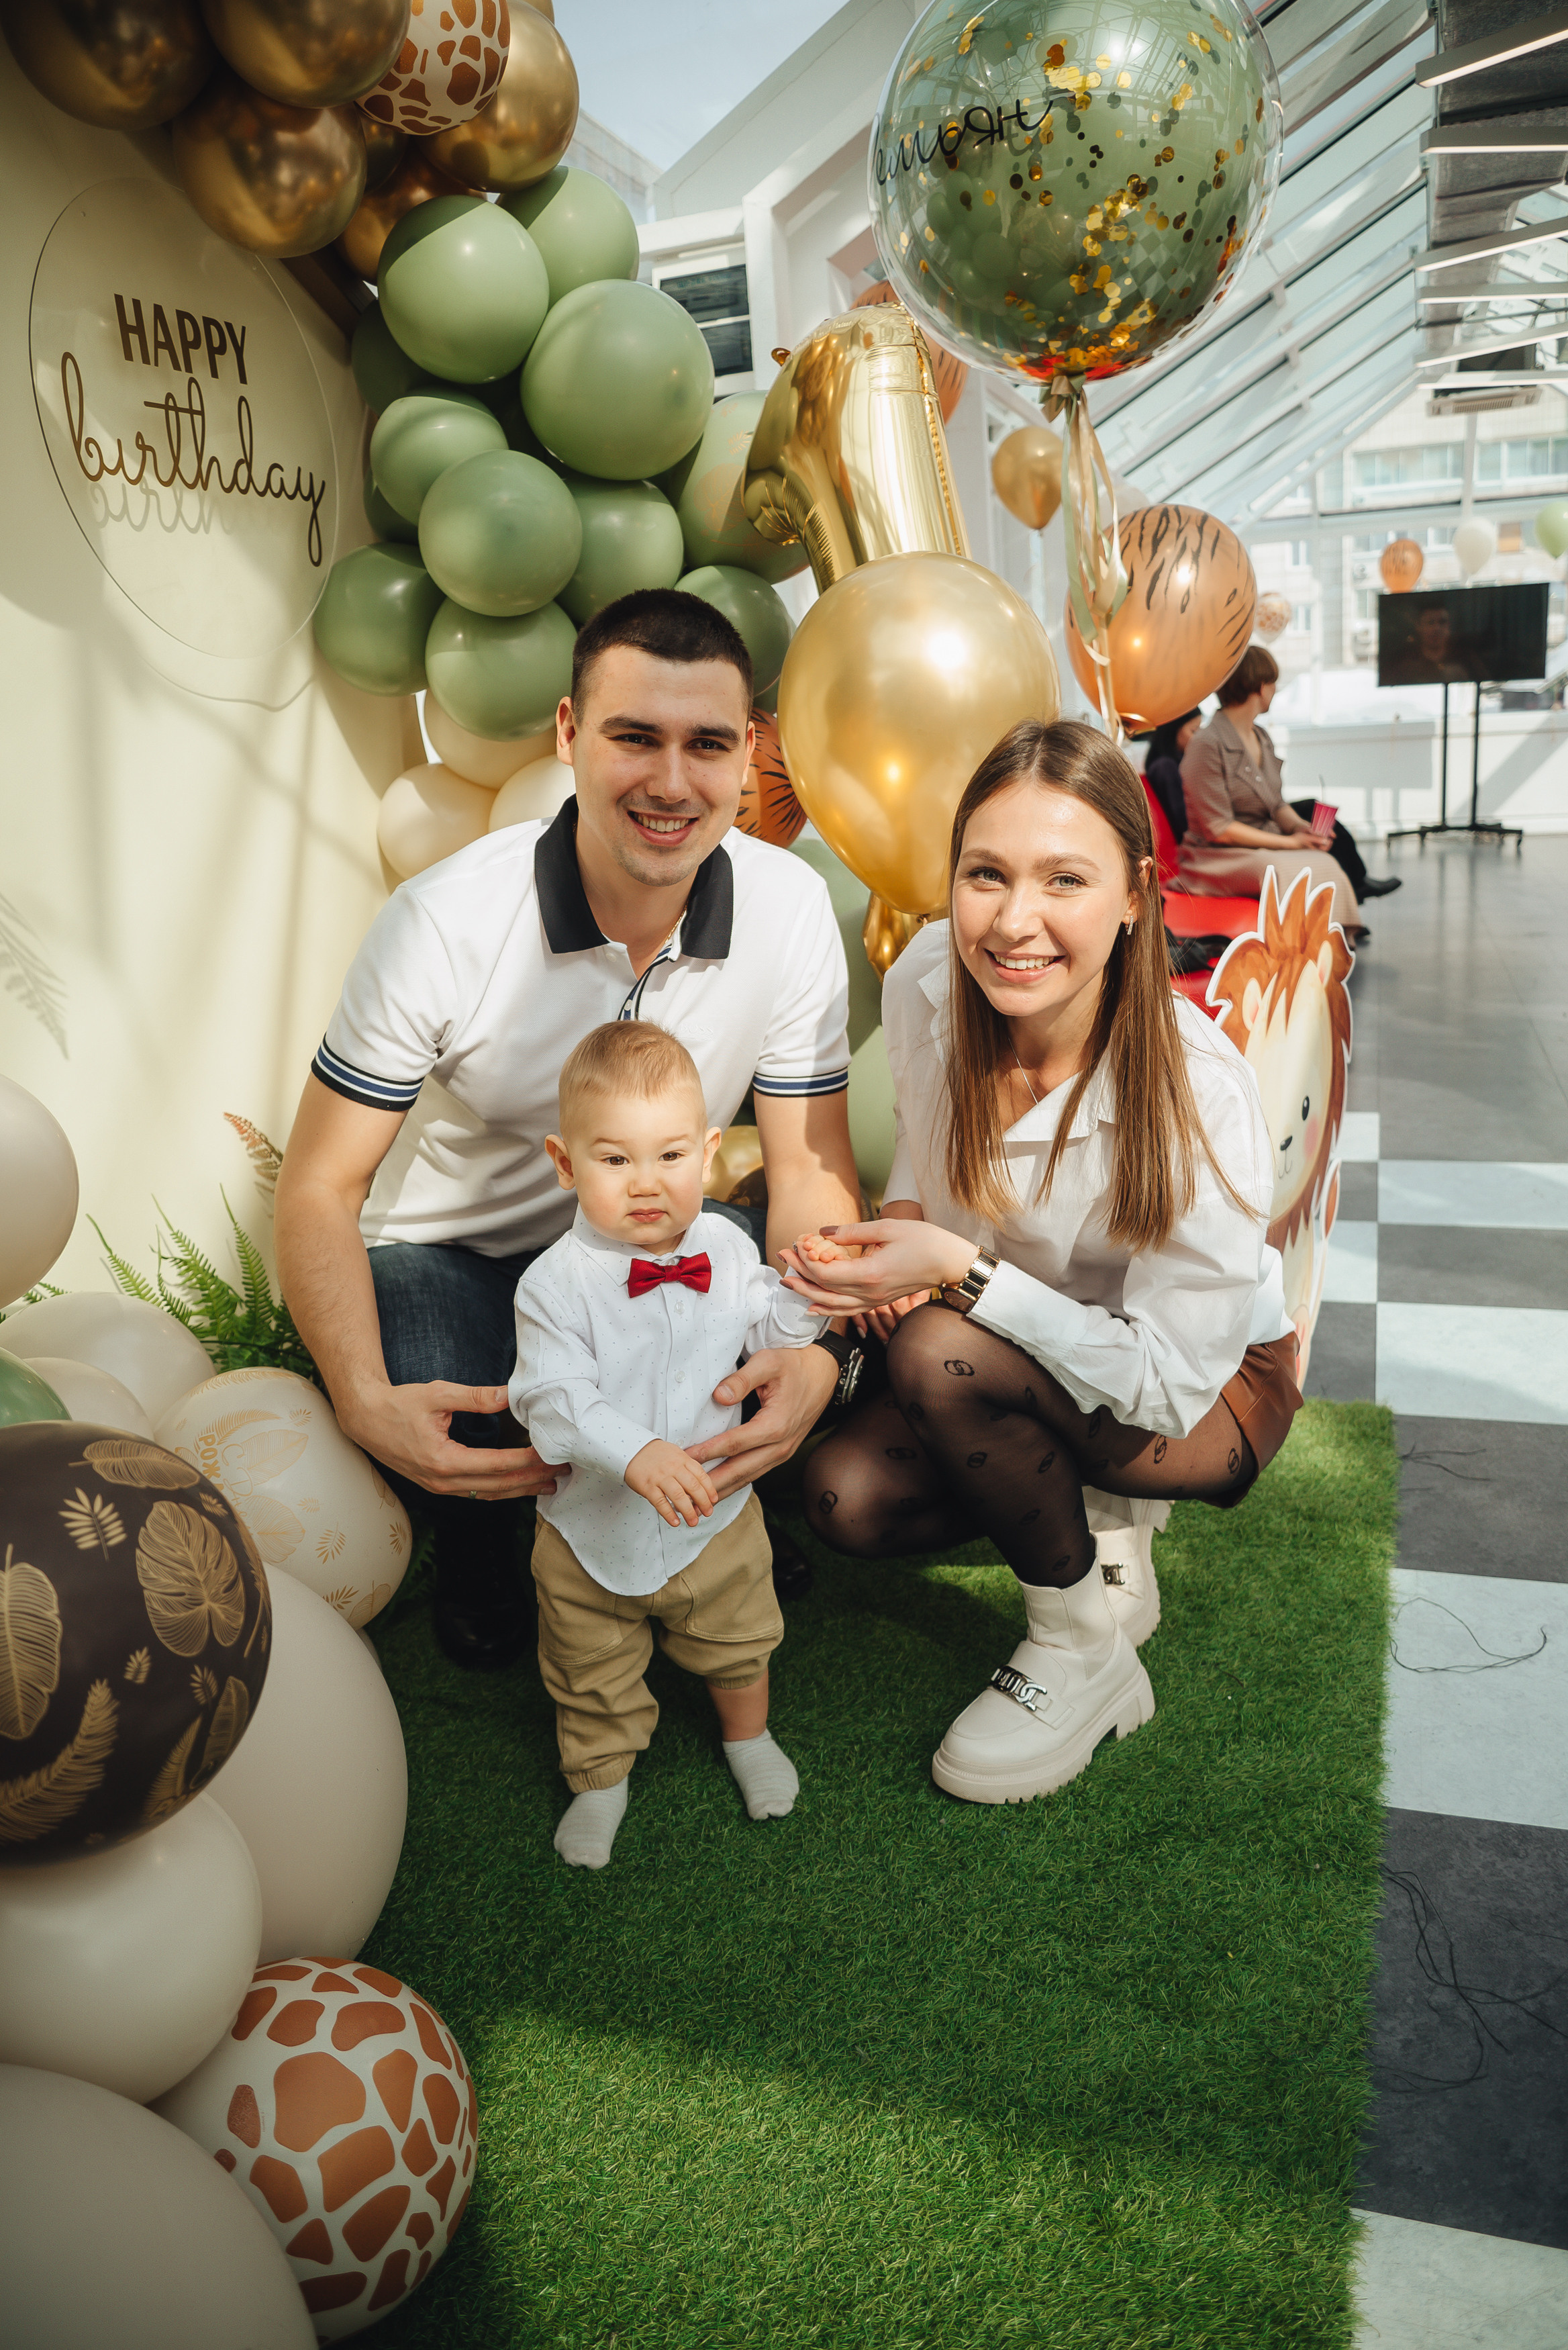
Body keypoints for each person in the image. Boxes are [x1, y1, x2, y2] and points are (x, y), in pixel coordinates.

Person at [274, 590, 865, 1673]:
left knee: (758, 1306)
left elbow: (807, 1164)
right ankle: (488, 1547)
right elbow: (318, 1187)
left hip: (660, 1239)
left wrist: (808, 1347)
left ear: (748, 756)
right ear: (567, 736)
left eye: (708, 745)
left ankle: (720, 1512)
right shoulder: (439, 923)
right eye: (634, 737)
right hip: (466, 1256)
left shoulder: (787, 908)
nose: (671, 783)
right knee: (450, 1395)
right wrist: (363, 1400)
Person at [779, 718, 1302, 1807]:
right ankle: (1091, 1517)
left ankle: (1082, 1653)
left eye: (1065, 877)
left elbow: (1167, 1383)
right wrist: (896, 1234)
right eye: (986, 874)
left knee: (939, 1353)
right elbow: (923, 1152)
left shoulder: (1199, 1090)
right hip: (1026, 1351)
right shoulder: (932, 973)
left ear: (1134, 894)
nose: (1015, 922)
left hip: (1203, 1394)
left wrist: (957, 1273)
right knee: (841, 1498)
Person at [511, 1021, 824, 1870]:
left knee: (740, 1634)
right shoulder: (553, 1284)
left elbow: (769, 1323)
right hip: (590, 1531)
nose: (646, 1184)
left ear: (710, 1152)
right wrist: (637, 1451)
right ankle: (600, 1778)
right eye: (614, 1160)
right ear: (564, 1162)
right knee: (589, 1666)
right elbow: (550, 1397)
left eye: (670, 1156)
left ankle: (747, 1736)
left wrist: (804, 1294)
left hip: (715, 1517)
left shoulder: (724, 1245)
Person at [1177, 648, 1390, 939]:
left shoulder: (1261, 737)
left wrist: (1301, 828)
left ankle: (1331, 946)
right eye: (1274, 684)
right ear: (1261, 687)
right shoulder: (1206, 744)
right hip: (1215, 857)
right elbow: (1219, 829)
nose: (1275, 691)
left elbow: (1276, 804)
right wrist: (1290, 843)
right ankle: (1300, 951)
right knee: (1276, 868)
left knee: (1326, 863)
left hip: (1257, 845)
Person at [1138, 708, 1202, 843]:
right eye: (1194, 731)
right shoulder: (1165, 767)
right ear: (1174, 729)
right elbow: (1182, 822)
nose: (1198, 738)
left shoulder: (1176, 762)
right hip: (1184, 846)